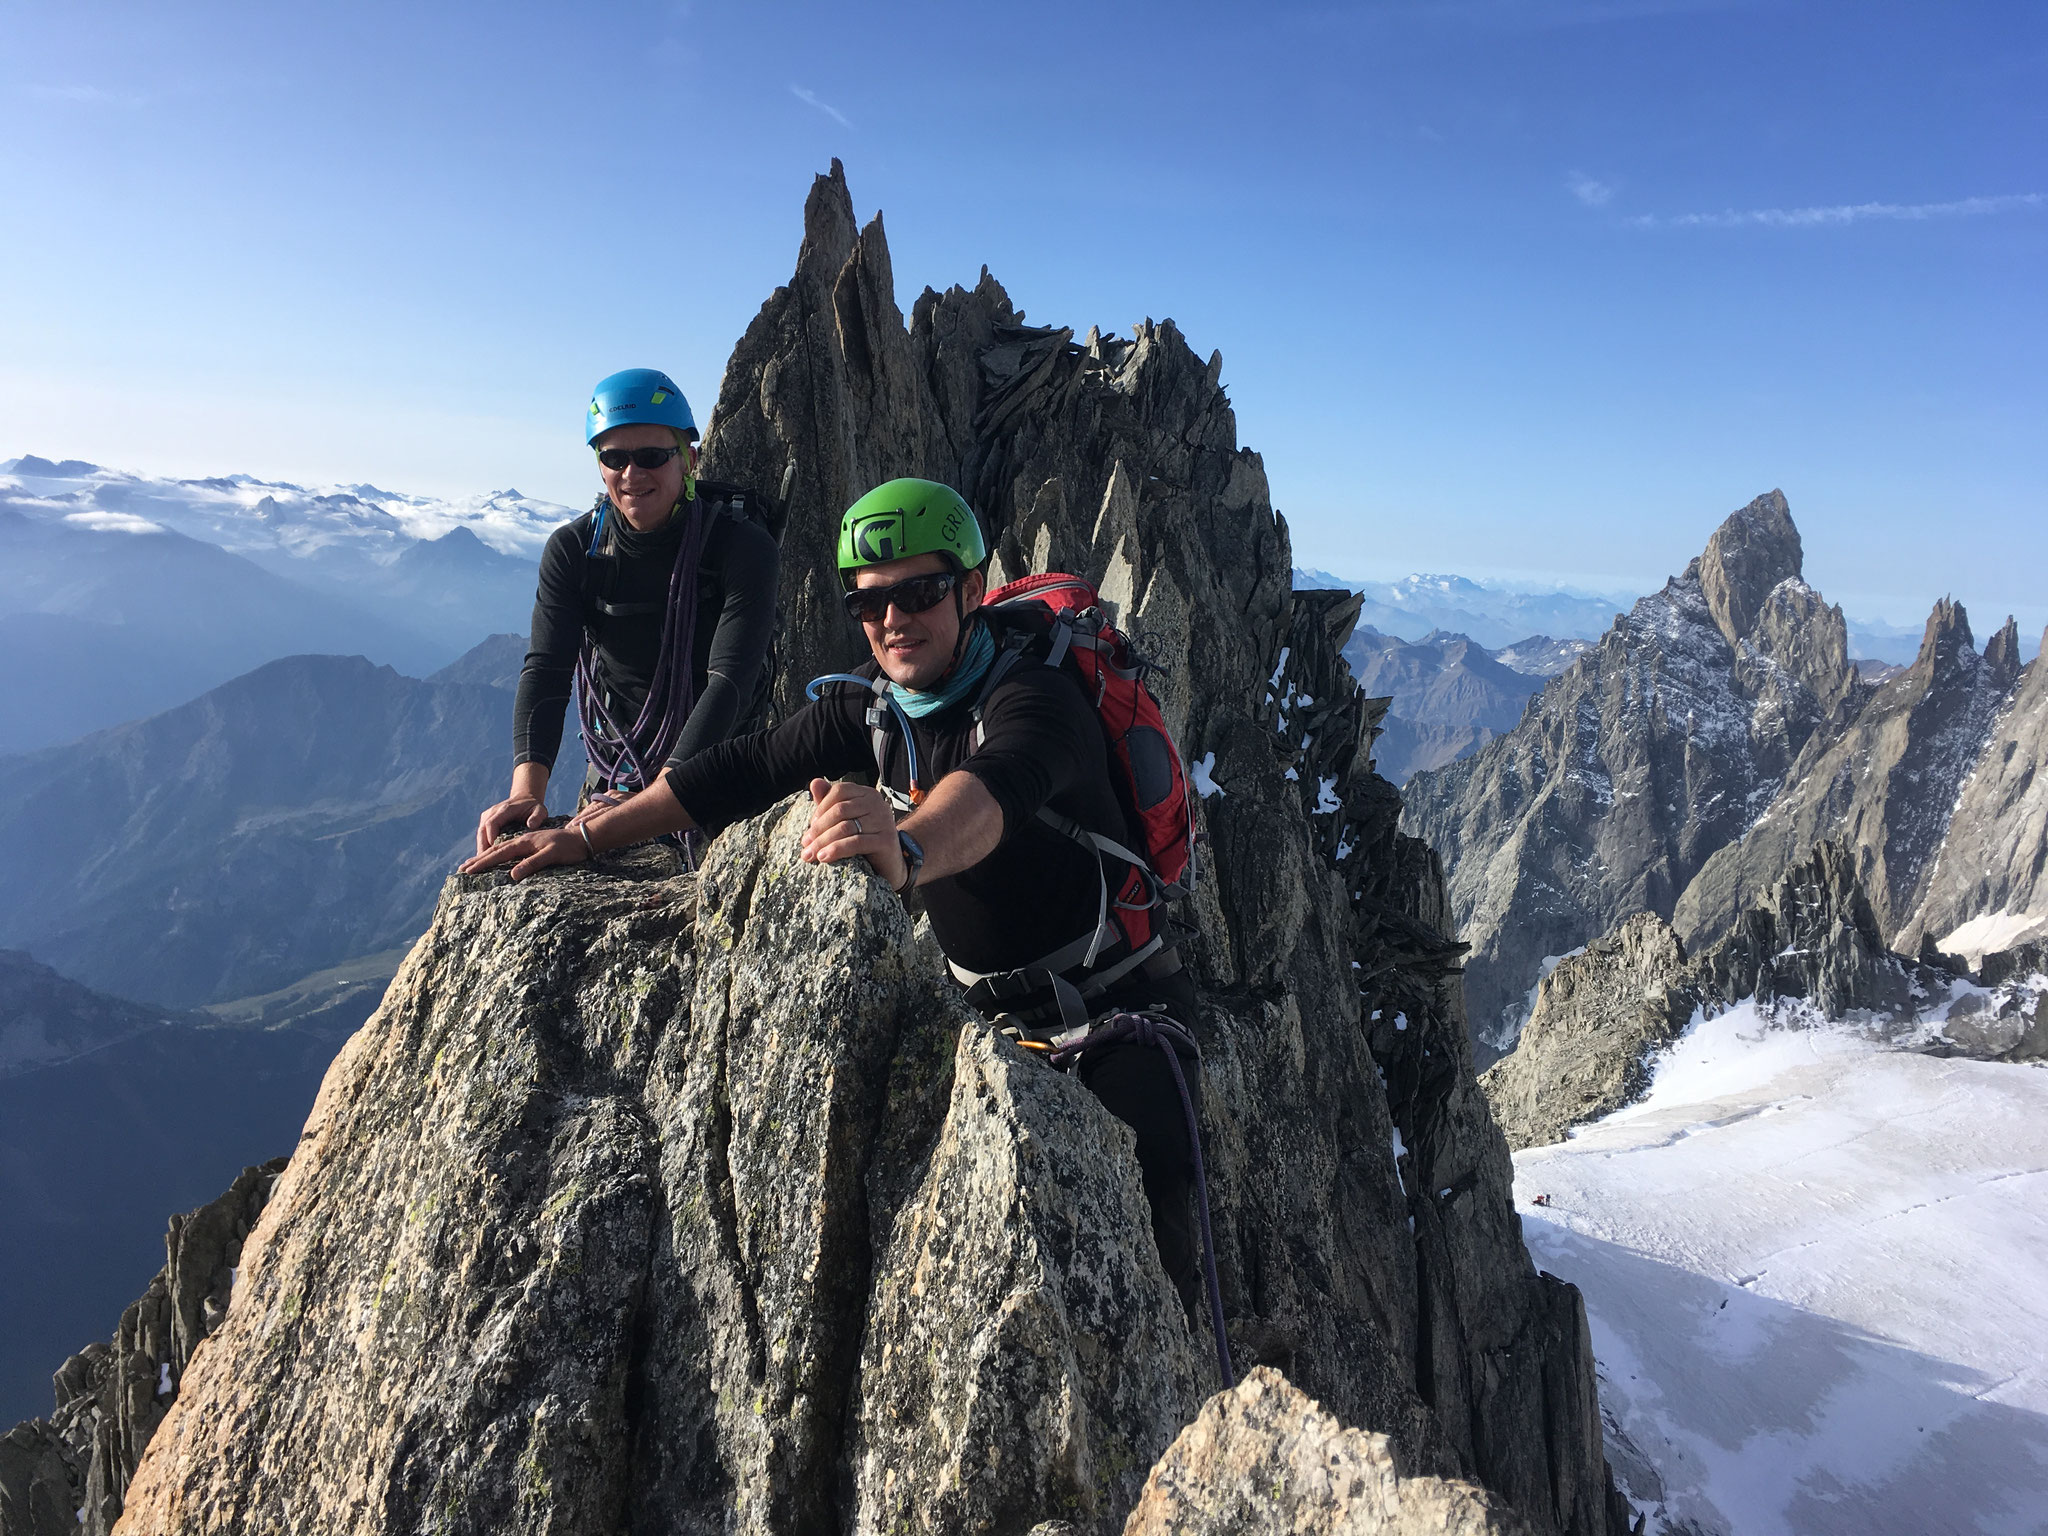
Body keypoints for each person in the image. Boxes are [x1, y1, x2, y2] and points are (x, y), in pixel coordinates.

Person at [461, 477, 1205, 1312]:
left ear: (968, 591)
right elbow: (739, 771)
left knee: (1154, 1194)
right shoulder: (876, 703)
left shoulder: (1035, 694)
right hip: (982, 1020)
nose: (894, 620)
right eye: (869, 602)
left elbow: (996, 789)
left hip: (1116, 1009)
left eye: (920, 593)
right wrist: (588, 835)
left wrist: (910, 844)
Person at [475, 368, 780, 856]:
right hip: (621, 761)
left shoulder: (742, 548)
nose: (631, 474)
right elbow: (548, 670)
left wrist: (653, 801)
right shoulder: (575, 551)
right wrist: (525, 792)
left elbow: (730, 679)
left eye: (652, 457)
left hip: (722, 754)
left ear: (689, 460)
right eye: (613, 458)